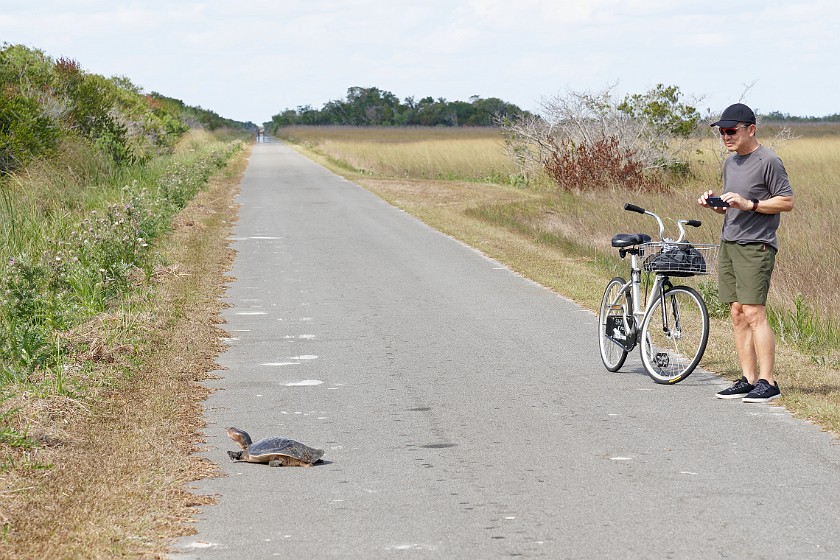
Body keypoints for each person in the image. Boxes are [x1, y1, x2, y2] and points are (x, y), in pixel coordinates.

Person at [698, 103, 794, 402]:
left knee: (754, 312)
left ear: (751, 129)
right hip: (730, 241)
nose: (726, 137)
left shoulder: (769, 161)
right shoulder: (730, 163)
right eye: (722, 132)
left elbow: (786, 202)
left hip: (756, 245)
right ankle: (748, 379)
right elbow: (733, 209)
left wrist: (750, 204)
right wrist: (714, 204)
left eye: (731, 131)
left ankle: (768, 383)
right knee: (737, 313)